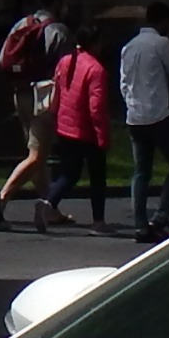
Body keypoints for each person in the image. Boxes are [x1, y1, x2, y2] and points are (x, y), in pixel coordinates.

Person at [120, 1, 169, 244]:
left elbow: (123, 82)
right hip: (158, 115)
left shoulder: (129, 47)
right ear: (164, 22)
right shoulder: (161, 44)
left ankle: (140, 224)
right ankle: (161, 215)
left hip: (135, 116)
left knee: (141, 171)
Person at [39, 23, 113, 233]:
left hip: (66, 126)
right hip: (87, 130)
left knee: (69, 173)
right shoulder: (96, 69)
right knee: (97, 176)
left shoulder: (65, 61)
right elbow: (96, 108)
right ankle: (98, 221)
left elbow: (58, 91)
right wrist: (103, 136)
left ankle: (48, 203)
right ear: (95, 44)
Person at [0, 4, 60, 221]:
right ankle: (1, 199)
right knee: (37, 155)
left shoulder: (21, 25)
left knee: (36, 154)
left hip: (20, 93)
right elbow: (65, 67)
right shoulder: (57, 30)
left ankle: (49, 207)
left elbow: (3, 59)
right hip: (43, 95)